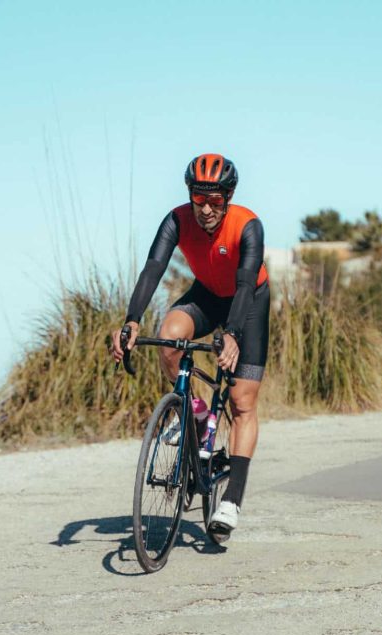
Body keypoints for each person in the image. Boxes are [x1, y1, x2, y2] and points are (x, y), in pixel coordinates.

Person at [110, 153, 269, 536]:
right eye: (200, 199)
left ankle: (231, 499)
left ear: (228, 197)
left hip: (247, 304)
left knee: (241, 402)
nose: (207, 209)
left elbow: (246, 284)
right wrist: (131, 320)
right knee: (169, 337)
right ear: (190, 195)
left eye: (216, 200)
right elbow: (154, 268)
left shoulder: (247, 225)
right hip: (206, 295)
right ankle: (193, 412)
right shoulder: (177, 219)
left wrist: (231, 334)